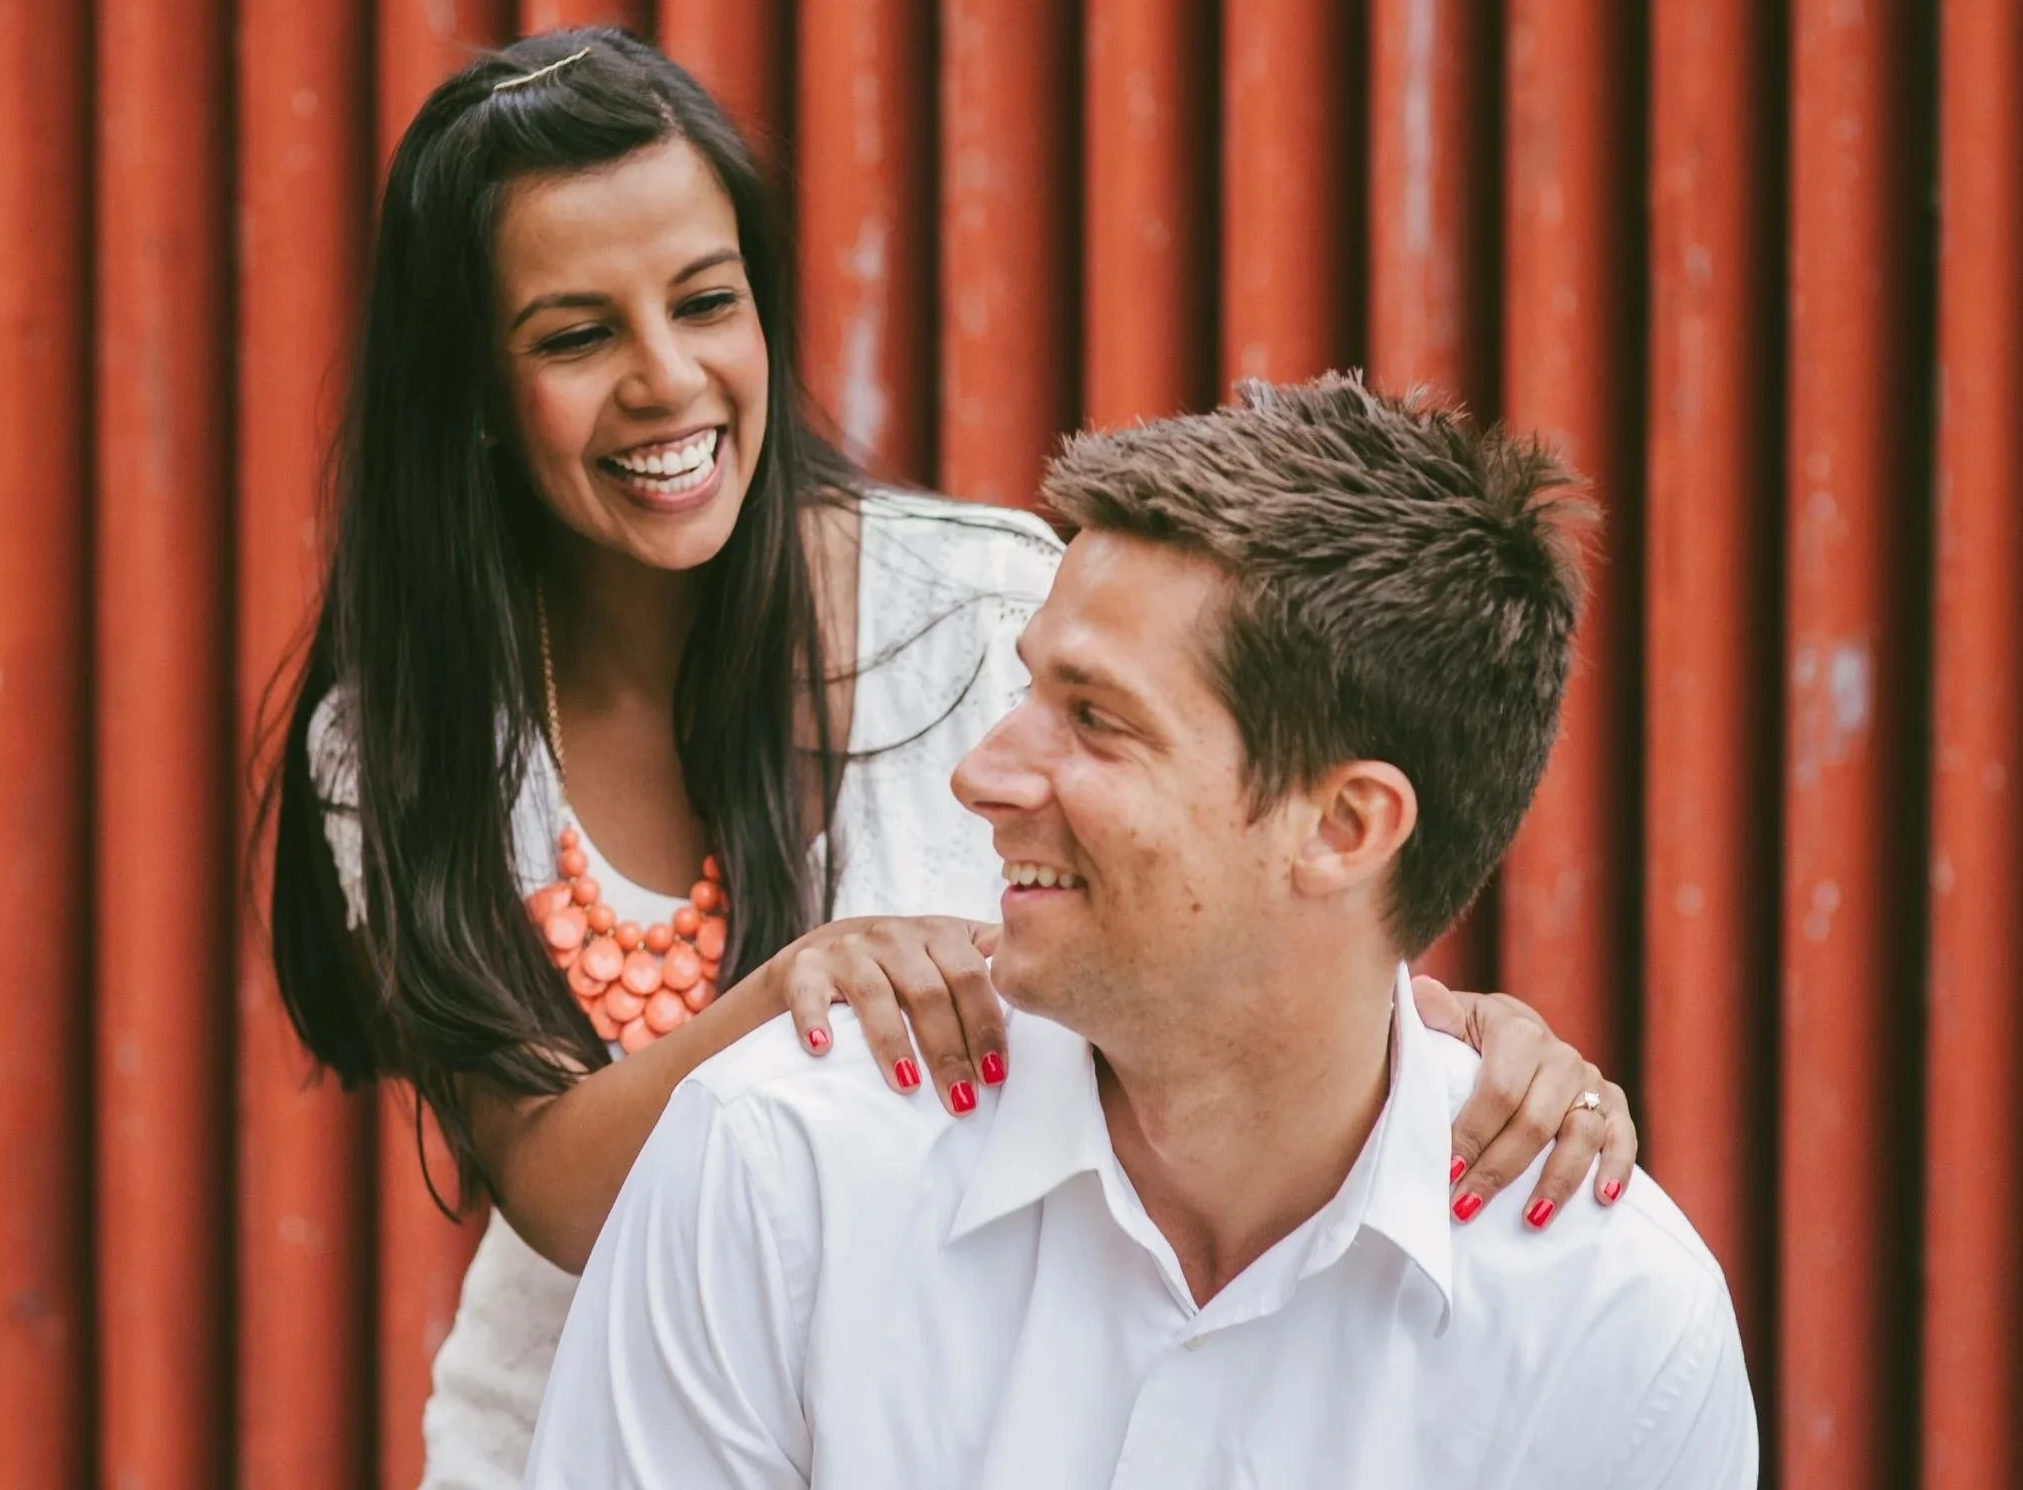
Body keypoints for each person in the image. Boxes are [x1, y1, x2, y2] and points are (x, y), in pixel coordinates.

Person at [263, 28, 1643, 1489]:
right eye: (575, 335)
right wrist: (797, 989)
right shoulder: (408, 740)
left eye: (707, 302)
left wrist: (1466, 1041)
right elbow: (553, 1187)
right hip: (565, 1439)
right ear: (473, 391)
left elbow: (1223, 903)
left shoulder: (984, 610)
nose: (668, 379)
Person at [524, 377, 1754, 1489]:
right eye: (1030, 690)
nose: (983, 776)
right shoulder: (781, 1163)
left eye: (1097, 718)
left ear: (1344, 824)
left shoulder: (1613, 1322)